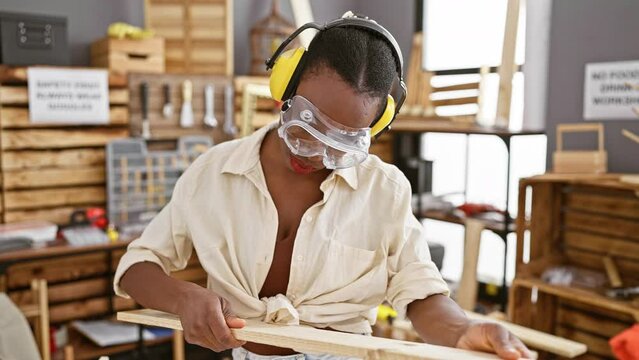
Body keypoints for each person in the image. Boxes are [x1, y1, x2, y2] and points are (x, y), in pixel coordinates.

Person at [114, 12, 533, 360]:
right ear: (285, 90)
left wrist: (462, 331)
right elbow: (137, 267)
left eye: (342, 143)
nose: (314, 154)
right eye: (306, 128)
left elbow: (420, 292)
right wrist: (181, 296)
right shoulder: (213, 173)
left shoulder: (383, 191)